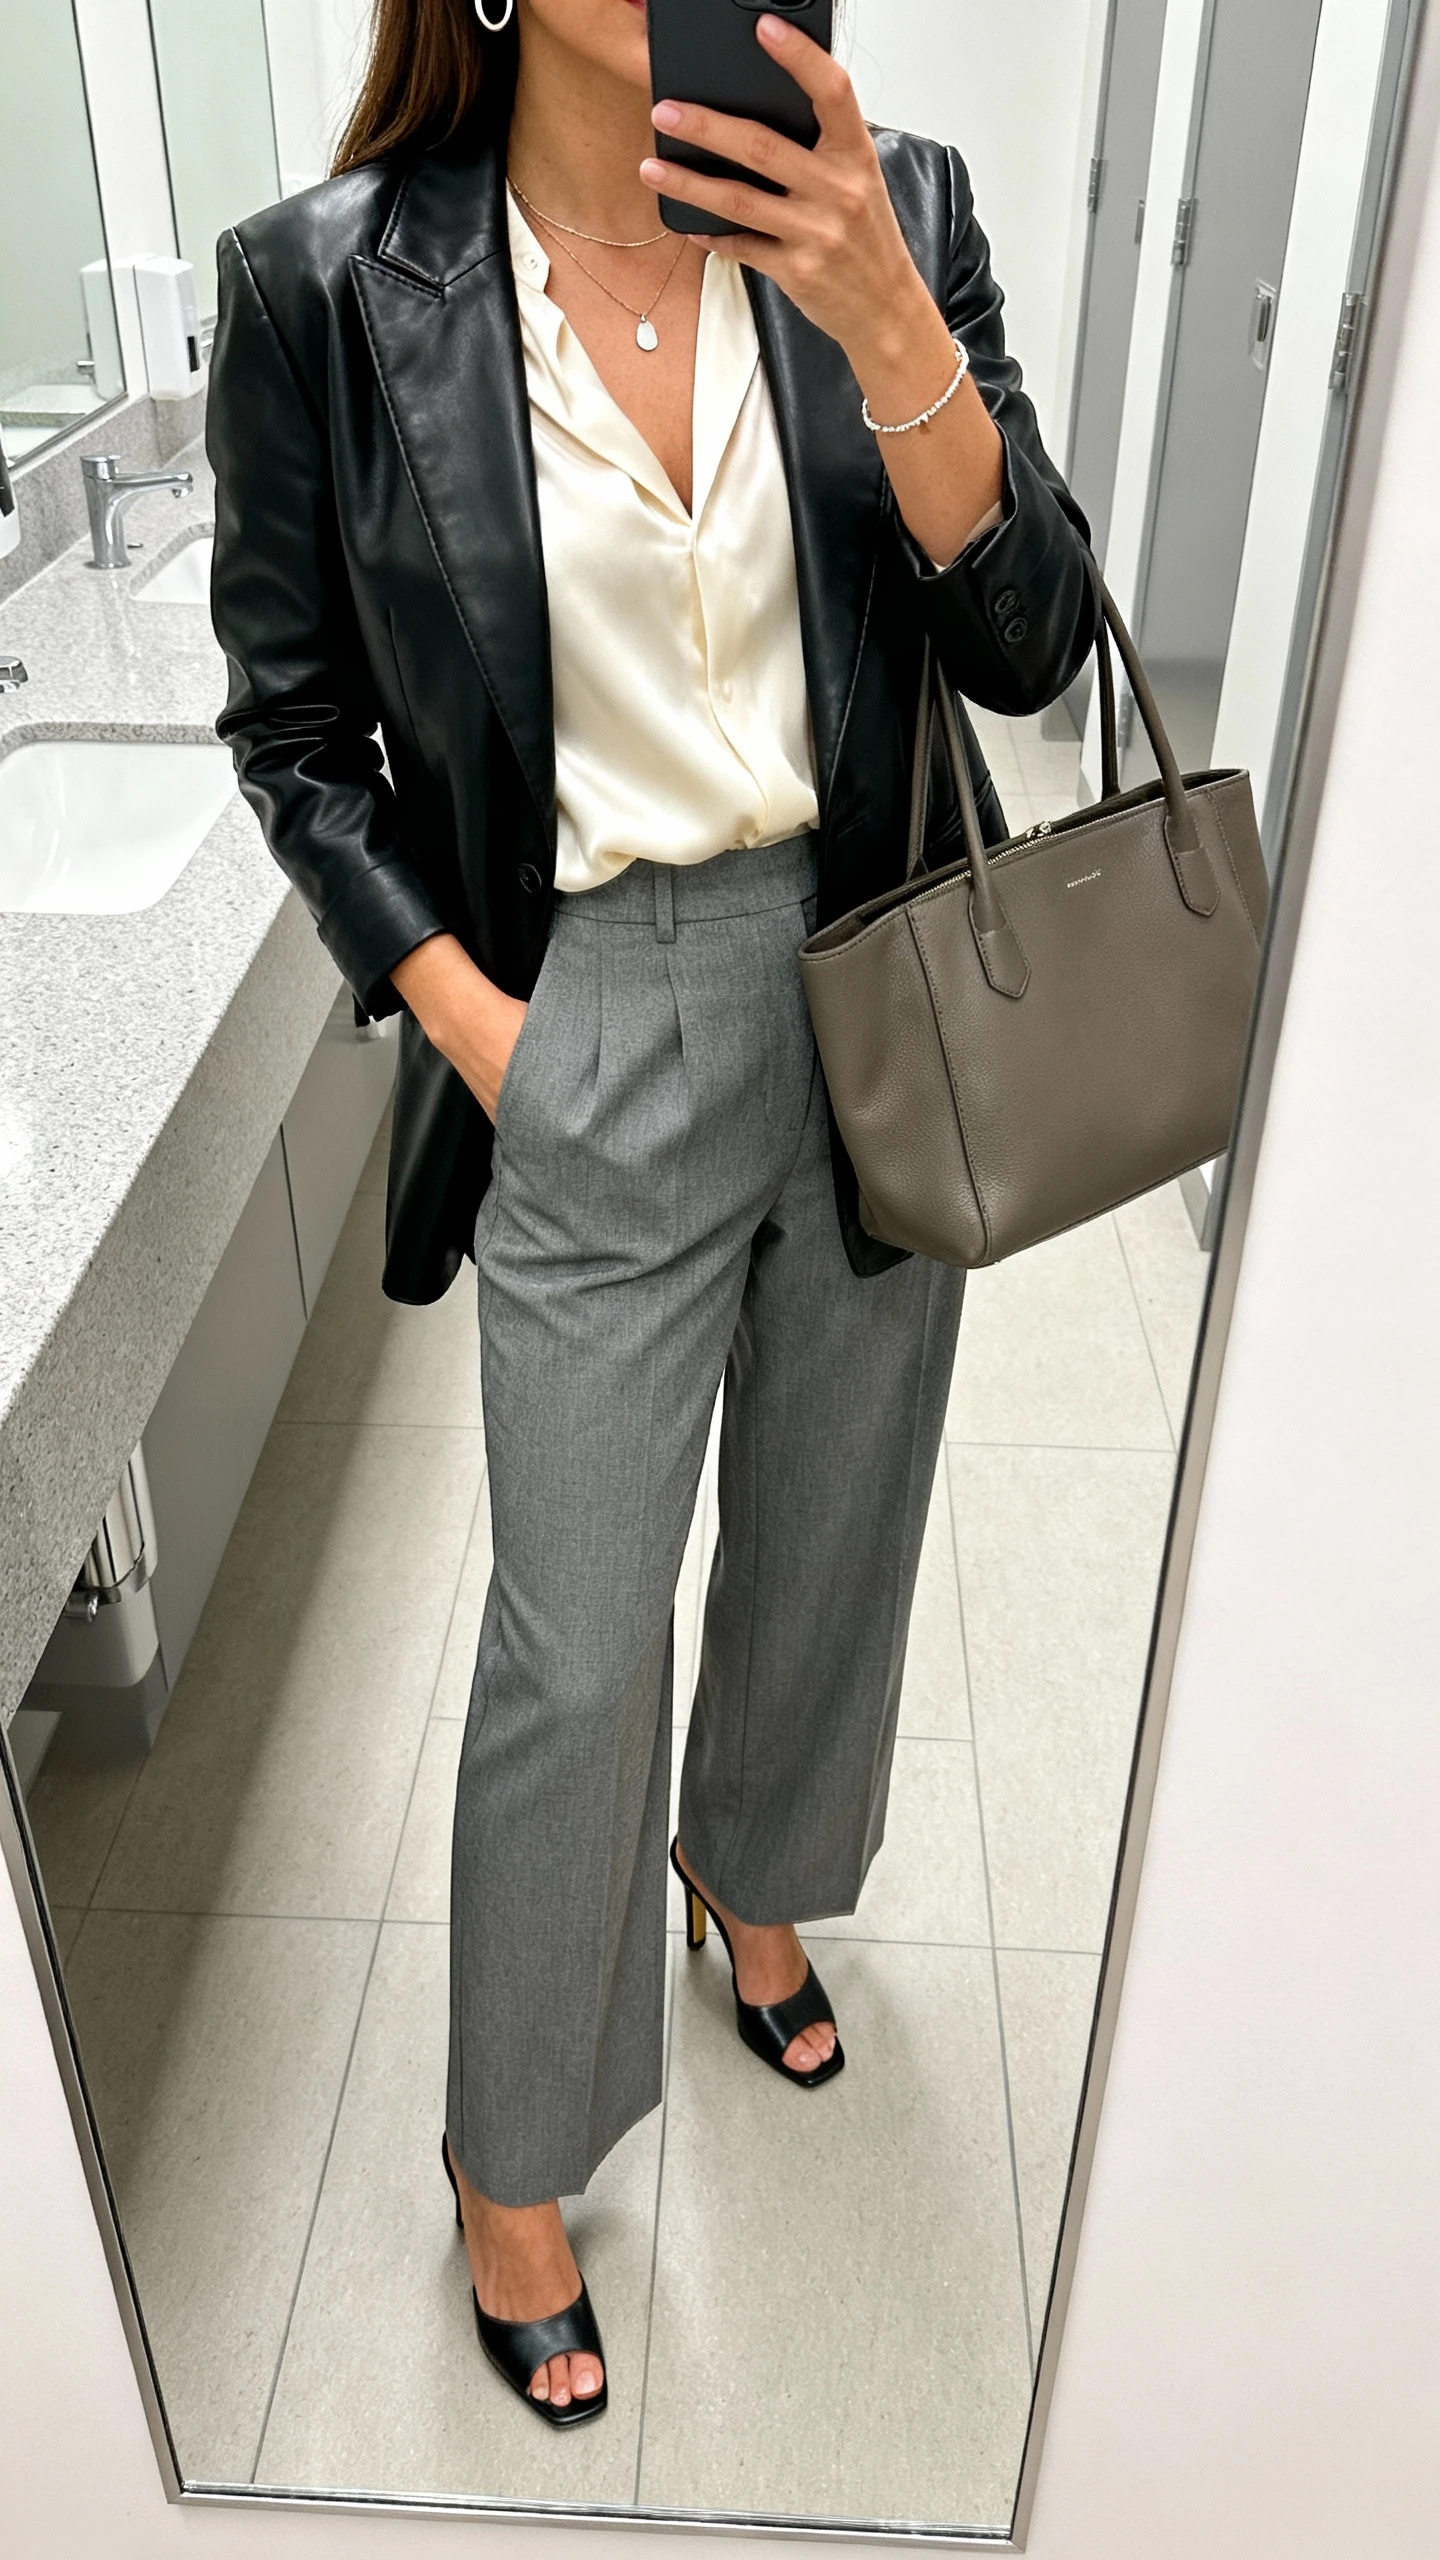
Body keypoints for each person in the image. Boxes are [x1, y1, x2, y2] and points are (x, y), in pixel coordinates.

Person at [207, 0, 1095, 2430]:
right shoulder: (325, 286)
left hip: (873, 956)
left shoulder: (892, 212)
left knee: (836, 1517)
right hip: (583, 996)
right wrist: (482, 1024)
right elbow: (293, 727)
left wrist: (892, 329)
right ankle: (514, 2147)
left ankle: (752, 1871)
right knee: (577, 1637)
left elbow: (1028, 643)